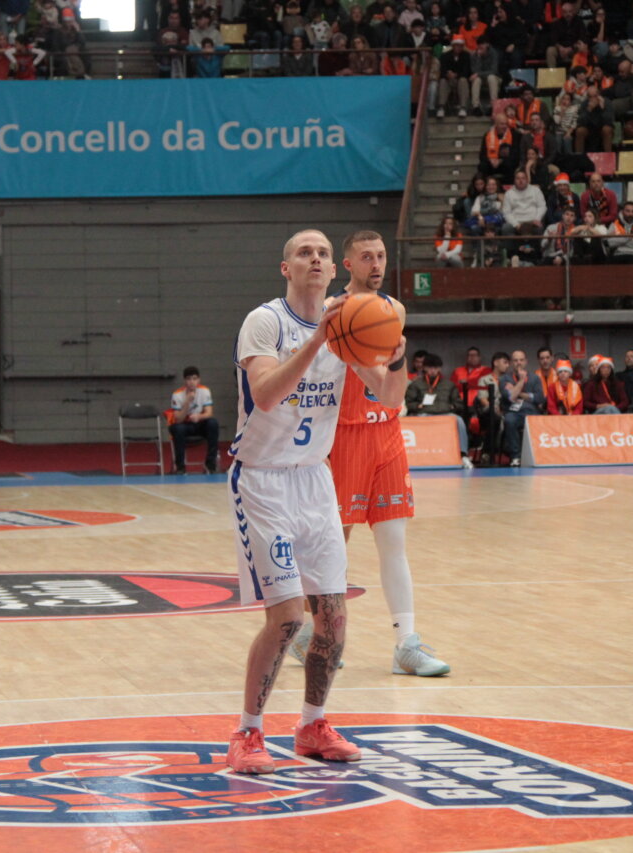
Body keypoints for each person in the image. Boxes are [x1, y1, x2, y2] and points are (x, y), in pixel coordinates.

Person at [225, 229, 405, 774]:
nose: (317, 259)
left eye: (325, 253)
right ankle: (248, 733)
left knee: (333, 615)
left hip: (314, 480)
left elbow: (391, 397)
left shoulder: (347, 324)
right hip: (261, 480)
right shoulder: (266, 322)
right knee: (285, 618)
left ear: (334, 268)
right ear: (287, 267)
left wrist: (394, 357)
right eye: (305, 252)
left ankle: (312, 724)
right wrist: (319, 340)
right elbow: (265, 394)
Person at [294, 230, 448, 678]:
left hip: (387, 434)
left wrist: (394, 364)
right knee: (333, 550)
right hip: (342, 437)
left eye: (380, 256)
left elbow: (391, 393)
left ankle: (407, 644)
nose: (376, 264)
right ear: (348, 265)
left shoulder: (394, 310)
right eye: (366, 257)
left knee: (394, 544)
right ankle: (314, 633)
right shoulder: (329, 312)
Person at [405, 353, 471, 468]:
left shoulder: (449, 385)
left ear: (440, 368)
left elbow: (458, 403)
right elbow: (409, 403)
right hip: (424, 414)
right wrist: (417, 406)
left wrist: (453, 407)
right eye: (430, 367)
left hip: (445, 414)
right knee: (415, 420)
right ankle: (418, 454)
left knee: (459, 420)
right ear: (424, 368)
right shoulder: (416, 384)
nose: (433, 371)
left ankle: (463, 454)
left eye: (435, 368)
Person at [167, 366, 220, 474]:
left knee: (213, 423)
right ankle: (180, 467)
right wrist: (186, 402)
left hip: (199, 424)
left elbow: (209, 413)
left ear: (198, 380)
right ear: (185, 381)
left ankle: (210, 464)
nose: (192, 382)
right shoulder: (177, 394)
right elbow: (178, 419)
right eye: (189, 379)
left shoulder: (204, 391)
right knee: (178, 429)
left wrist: (199, 417)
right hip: (184, 425)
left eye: (194, 379)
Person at [500, 349, 545, 466]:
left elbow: (540, 398)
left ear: (526, 362)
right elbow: (509, 398)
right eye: (515, 360)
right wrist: (520, 381)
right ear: (511, 363)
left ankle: (539, 455)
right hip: (513, 412)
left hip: (531, 411)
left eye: (521, 360)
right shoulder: (504, 379)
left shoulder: (535, 378)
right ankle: (516, 457)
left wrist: (518, 393)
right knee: (509, 420)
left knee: (539, 421)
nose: (518, 363)